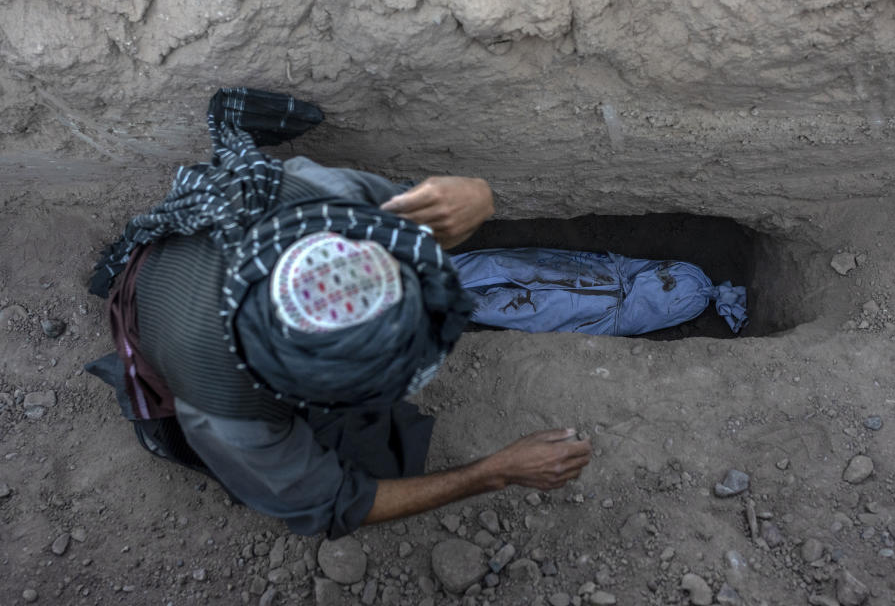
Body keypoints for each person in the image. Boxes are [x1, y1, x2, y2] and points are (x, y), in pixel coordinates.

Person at [86, 88, 591, 539]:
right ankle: (162, 436)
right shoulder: (227, 406)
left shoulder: (328, 201)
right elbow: (330, 505)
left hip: (189, 269)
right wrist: (495, 472)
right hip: (165, 324)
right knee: (377, 456)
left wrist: (476, 194)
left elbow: (425, 213)